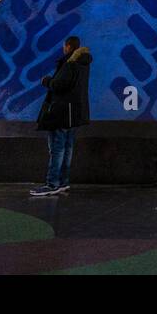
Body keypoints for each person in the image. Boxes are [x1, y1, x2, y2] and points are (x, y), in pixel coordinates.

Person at [30, 36, 92, 197]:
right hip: (73, 113)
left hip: (61, 112)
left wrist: (46, 81)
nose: (63, 49)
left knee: (57, 148)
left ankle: (52, 184)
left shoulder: (69, 64)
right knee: (67, 147)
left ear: (68, 46)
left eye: (64, 46)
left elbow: (58, 85)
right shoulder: (83, 64)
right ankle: (63, 182)